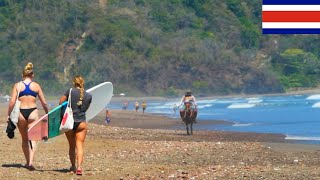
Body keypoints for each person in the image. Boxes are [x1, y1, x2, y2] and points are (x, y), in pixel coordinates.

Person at [6, 62, 49, 171]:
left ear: (22, 74)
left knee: (25, 139)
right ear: (32, 75)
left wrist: (8, 114)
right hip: (33, 113)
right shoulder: (36, 86)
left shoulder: (17, 85)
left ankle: (26, 162)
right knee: (33, 138)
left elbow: (12, 102)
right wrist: (47, 113)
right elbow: (44, 102)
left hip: (21, 113)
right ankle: (30, 162)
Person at [59, 75, 92, 175]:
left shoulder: (70, 91)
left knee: (72, 146)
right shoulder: (89, 96)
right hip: (81, 123)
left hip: (69, 122)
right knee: (80, 145)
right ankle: (79, 168)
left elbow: (61, 103)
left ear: (74, 83)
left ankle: (73, 166)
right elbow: (85, 109)